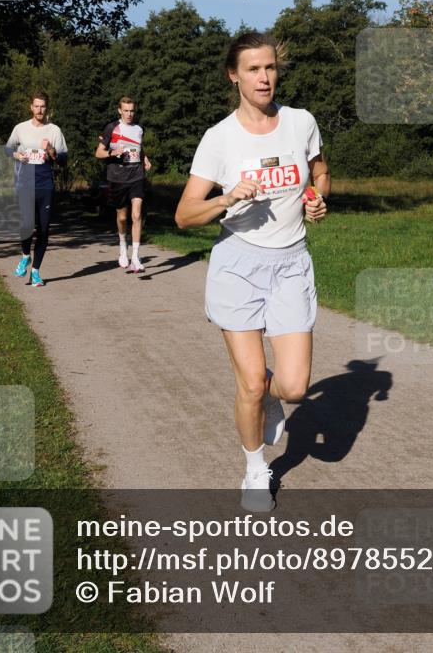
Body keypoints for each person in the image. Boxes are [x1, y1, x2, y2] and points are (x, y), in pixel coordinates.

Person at [175, 33, 329, 511]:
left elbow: (320, 171)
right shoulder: (219, 139)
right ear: (234, 76)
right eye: (253, 70)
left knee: (296, 387)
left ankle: (269, 395)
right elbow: (184, 215)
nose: (264, 78)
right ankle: (255, 469)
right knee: (250, 383)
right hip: (238, 263)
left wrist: (317, 199)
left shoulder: (301, 122)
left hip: (290, 263)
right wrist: (226, 198)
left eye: (270, 68)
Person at [5, 91, 68, 287]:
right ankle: (25, 256)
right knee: (25, 225)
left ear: (47, 108)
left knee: (43, 229)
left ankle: (36, 272)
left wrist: (51, 151)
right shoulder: (20, 128)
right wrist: (16, 155)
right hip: (24, 183)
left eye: (43, 106)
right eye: (36, 106)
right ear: (31, 107)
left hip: (45, 185)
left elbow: (64, 160)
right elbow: (7, 148)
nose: (40, 109)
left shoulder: (54, 130)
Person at [96, 96, 151, 272]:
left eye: (131, 111)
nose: (129, 114)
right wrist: (112, 153)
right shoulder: (112, 128)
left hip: (136, 176)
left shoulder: (139, 129)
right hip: (117, 178)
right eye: (125, 111)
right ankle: (122, 246)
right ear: (120, 111)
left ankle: (135, 256)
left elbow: (139, 148)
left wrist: (145, 158)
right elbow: (99, 153)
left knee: (136, 215)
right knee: (122, 217)